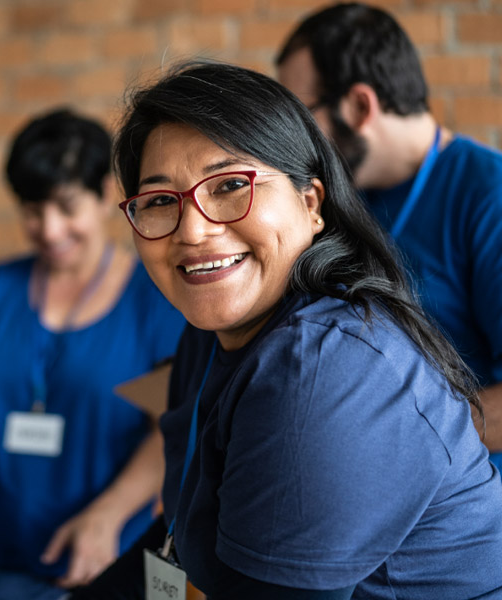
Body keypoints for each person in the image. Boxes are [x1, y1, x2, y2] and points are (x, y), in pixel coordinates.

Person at [68, 62, 502, 599]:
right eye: (159, 201)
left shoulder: (324, 365)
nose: (194, 230)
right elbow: (177, 538)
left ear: (310, 203)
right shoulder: (209, 334)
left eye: (230, 185)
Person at [0, 108, 185, 600]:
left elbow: (171, 424)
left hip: (104, 560)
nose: (50, 228)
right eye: (32, 210)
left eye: (66, 207)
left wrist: (108, 514)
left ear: (105, 194)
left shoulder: (153, 299)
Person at [276, 2, 502, 468]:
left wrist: (381, 441)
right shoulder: (339, 196)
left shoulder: (487, 194)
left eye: (304, 119)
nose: (295, 146)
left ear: (359, 106)